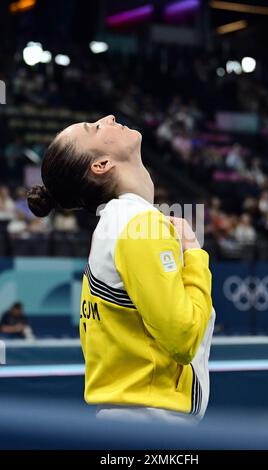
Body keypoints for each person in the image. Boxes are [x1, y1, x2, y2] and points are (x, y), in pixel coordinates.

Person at [27, 114, 215, 424]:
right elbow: (183, 337)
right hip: (154, 425)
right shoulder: (138, 225)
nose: (108, 118)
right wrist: (195, 255)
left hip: (133, 421)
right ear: (100, 165)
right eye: (94, 128)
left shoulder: (118, 224)